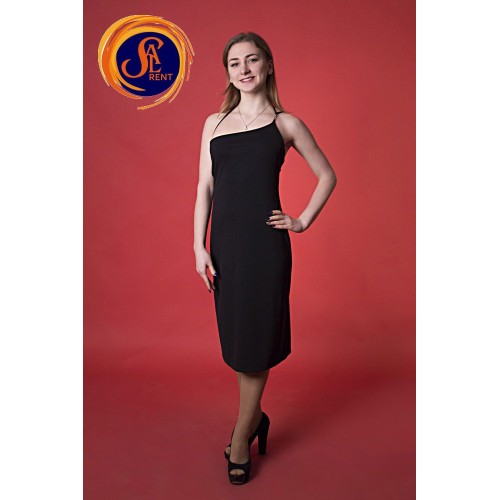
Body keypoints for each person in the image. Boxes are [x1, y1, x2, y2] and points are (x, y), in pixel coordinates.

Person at [193, 32, 337, 484]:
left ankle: (241, 436)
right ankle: (255, 418)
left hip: (264, 249)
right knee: (240, 345)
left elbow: (327, 175)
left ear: (268, 65)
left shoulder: (286, 124)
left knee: (256, 343)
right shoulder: (214, 123)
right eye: (235, 63)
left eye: (252, 59)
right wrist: (198, 245)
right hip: (225, 248)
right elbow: (205, 187)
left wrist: (301, 221)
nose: (244, 69)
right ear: (228, 72)